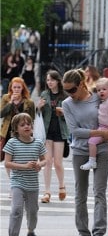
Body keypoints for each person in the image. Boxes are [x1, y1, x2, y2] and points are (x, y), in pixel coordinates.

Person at [62, 69, 108, 236]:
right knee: (80, 194)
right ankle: (83, 234)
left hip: (101, 150)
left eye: (72, 89)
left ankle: (99, 234)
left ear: (82, 84)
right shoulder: (67, 104)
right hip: (79, 151)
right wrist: (100, 133)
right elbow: (75, 131)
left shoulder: (98, 97)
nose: (69, 94)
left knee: (99, 192)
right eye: (66, 90)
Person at [3, 113, 47, 236]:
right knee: (16, 209)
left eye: (28, 124)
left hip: (33, 184)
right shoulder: (12, 143)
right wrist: (24, 166)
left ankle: (31, 233)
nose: (26, 126)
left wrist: (40, 164)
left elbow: (45, 159)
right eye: (22, 125)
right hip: (17, 182)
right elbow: (7, 163)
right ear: (16, 129)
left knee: (32, 211)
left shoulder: (38, 143)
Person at [37, 70, 69, 203]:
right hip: (47, 131)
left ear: (57, 81)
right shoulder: (44, 94)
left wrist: (63, 113)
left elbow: (71, 114)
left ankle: (62, 186)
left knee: (57, 163)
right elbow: (39, 114)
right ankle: (47, 191)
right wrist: (38, 107)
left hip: (60, 131)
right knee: (47, 162)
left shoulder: (65, 96)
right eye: (48, 80)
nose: (49, 82)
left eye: (52, 80)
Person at [80, 77, 108, 170]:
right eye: (98, 90)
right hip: (104, 127)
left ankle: (92, 161)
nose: (101, 92)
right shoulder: (104, 101)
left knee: (91, 141)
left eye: (104, 89)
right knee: (94, 140)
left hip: (106, 128)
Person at [0, 77, 35, 151]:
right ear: (11, 88)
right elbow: (1, 114)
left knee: (20, 153)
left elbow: (32, 119)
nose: (16, 89)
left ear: (22, 88)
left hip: (23, 131)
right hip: (8, 130)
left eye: (19, 87)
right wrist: (10, 102)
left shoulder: (29, 102)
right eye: (14, 87)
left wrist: (31, 132)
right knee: (7, 154)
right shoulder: (5, 98)